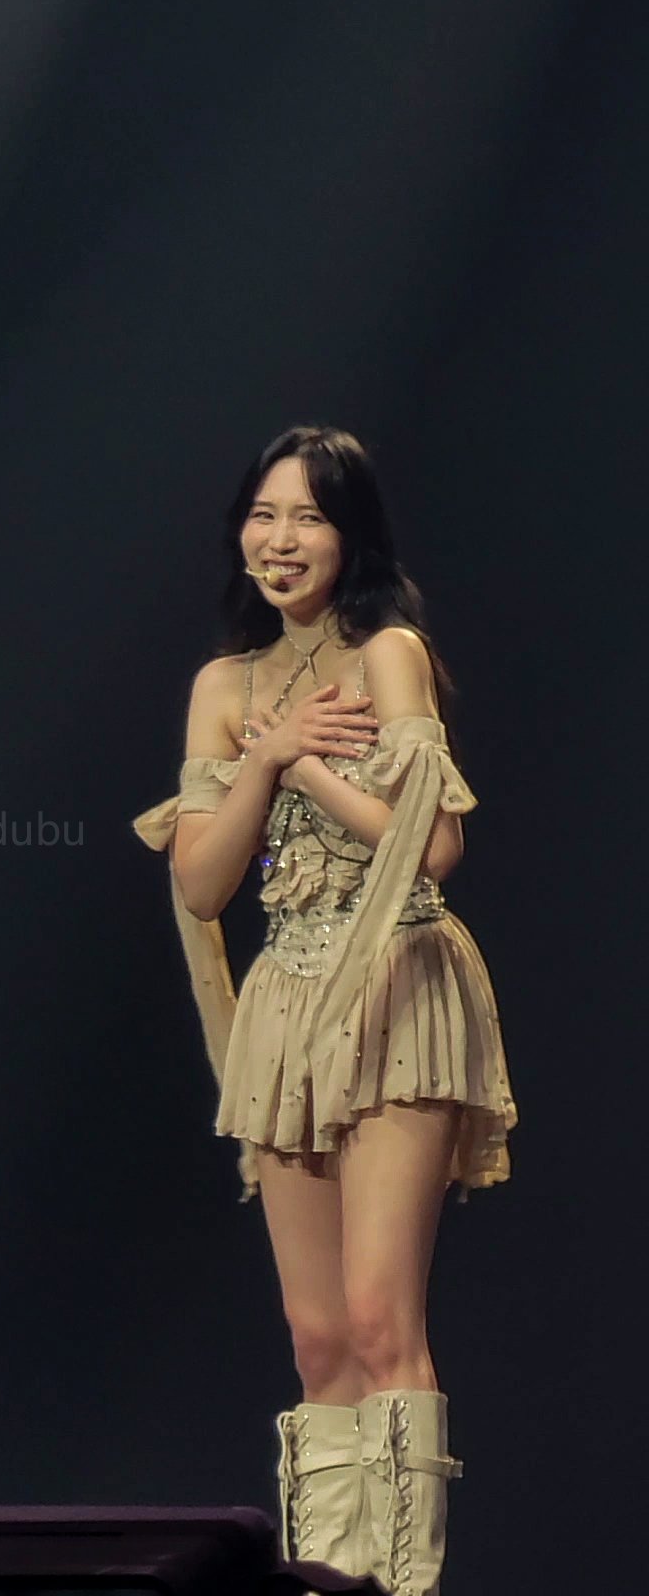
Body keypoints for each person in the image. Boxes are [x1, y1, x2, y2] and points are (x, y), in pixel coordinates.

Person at [132, 426, 514, 1596]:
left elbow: (432, 848)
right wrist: (266, 759)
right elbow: (202, 884)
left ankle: (402, 1584)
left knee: (381, 1318)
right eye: (264, 515)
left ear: (351, 536)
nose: (281, 539)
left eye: (307, 517)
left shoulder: (389, 652)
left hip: (395, 982)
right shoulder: (225, 686)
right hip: (289, 1005)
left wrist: (306, 768)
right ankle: (327, 1580)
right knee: (317, 1339)